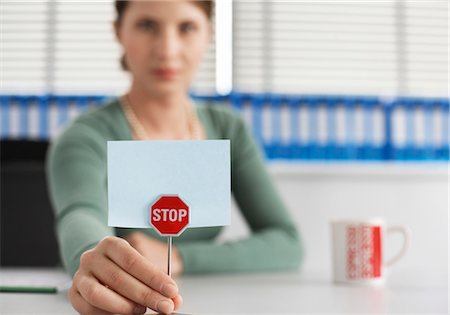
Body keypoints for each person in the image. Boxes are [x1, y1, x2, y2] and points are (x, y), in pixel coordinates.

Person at [47, 1, 303, 314]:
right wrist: (94, 259)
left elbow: (287, 242)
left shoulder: (229, 129)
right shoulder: (84, 136)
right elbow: (80, 214)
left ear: (208, 34)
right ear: (118, 31)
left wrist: (179, 257)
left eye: (186, 28)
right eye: (147, 26)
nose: (167, 50)